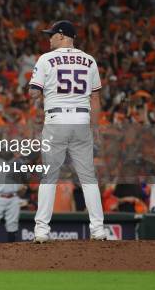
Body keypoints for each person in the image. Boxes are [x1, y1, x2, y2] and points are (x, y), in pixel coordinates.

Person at [29, 20, 106, 242]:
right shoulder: (89, 60)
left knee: (49, 177)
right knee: (88, 177)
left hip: (56, 119)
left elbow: (34, 93)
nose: (49, 38)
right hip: (82, 119)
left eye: (52, 35)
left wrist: (37, 93)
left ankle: (42, 231)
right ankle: (98, 230)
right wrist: (96, 127)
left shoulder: (46, 59)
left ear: (62, 36)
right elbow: (96, 98)